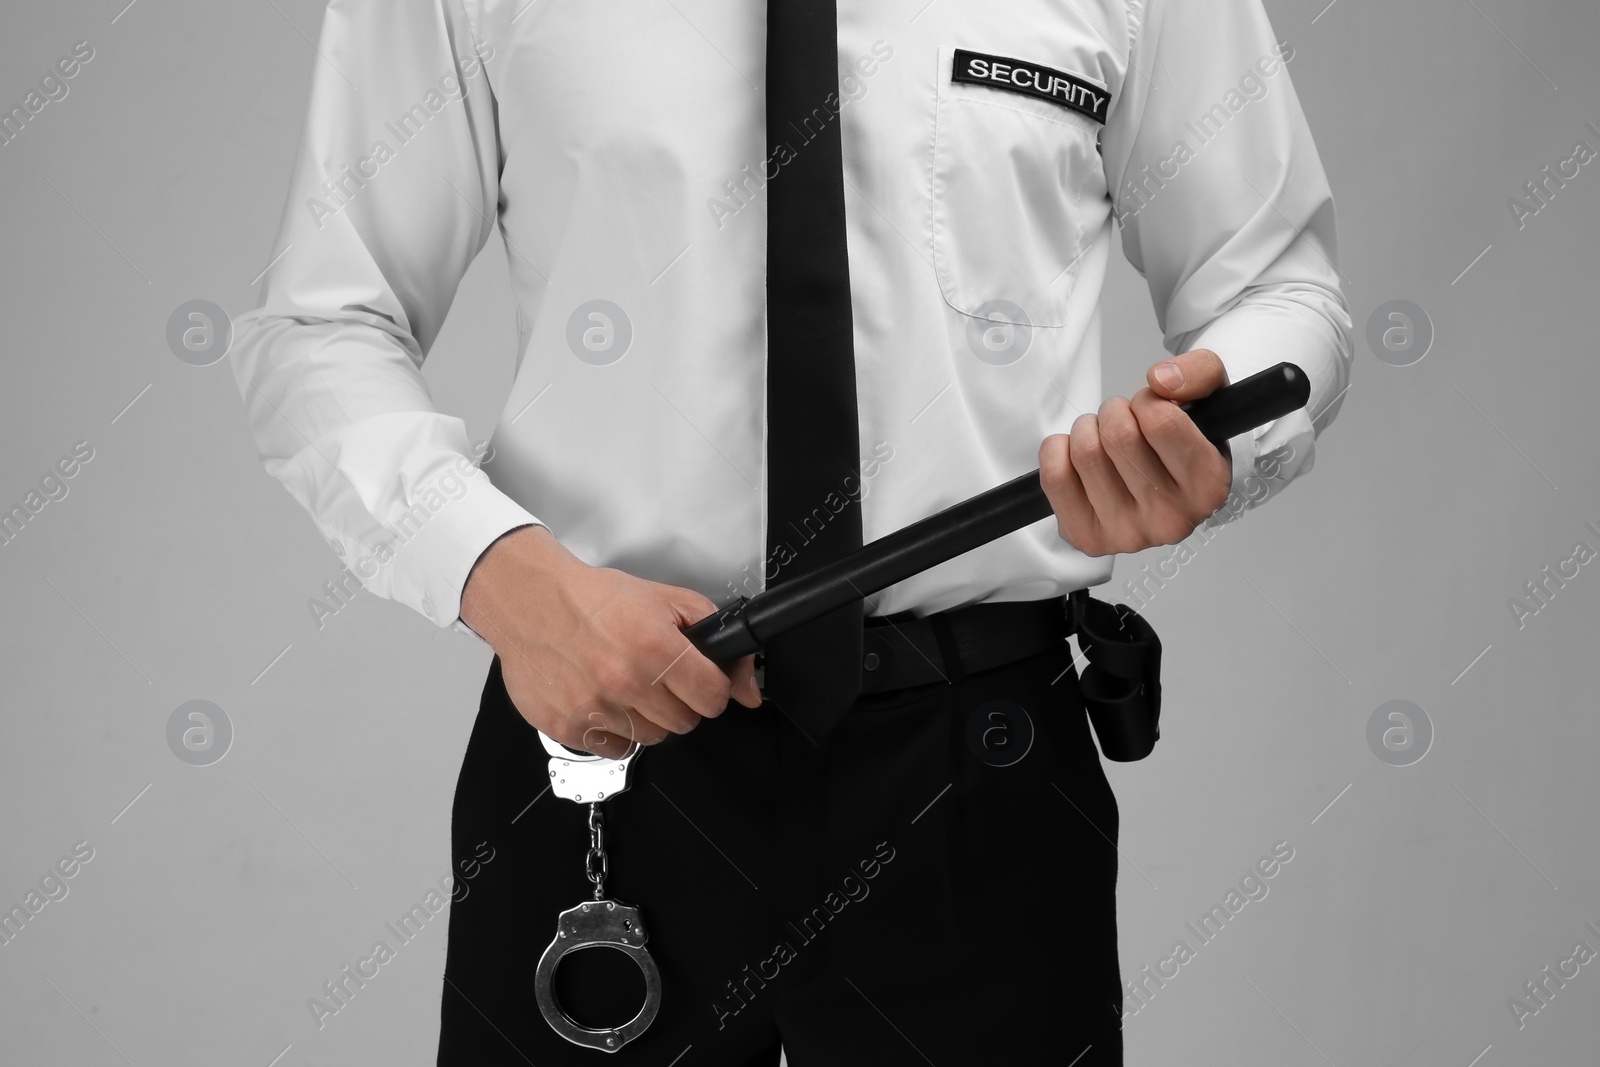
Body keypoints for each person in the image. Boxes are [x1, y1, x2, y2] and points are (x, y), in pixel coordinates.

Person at [231, 0, 1351, 1062]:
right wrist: (498, 576)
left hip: (978, 758)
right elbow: (321, 322)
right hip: (606, 738)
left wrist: (1209, 435)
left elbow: (1275, 286)